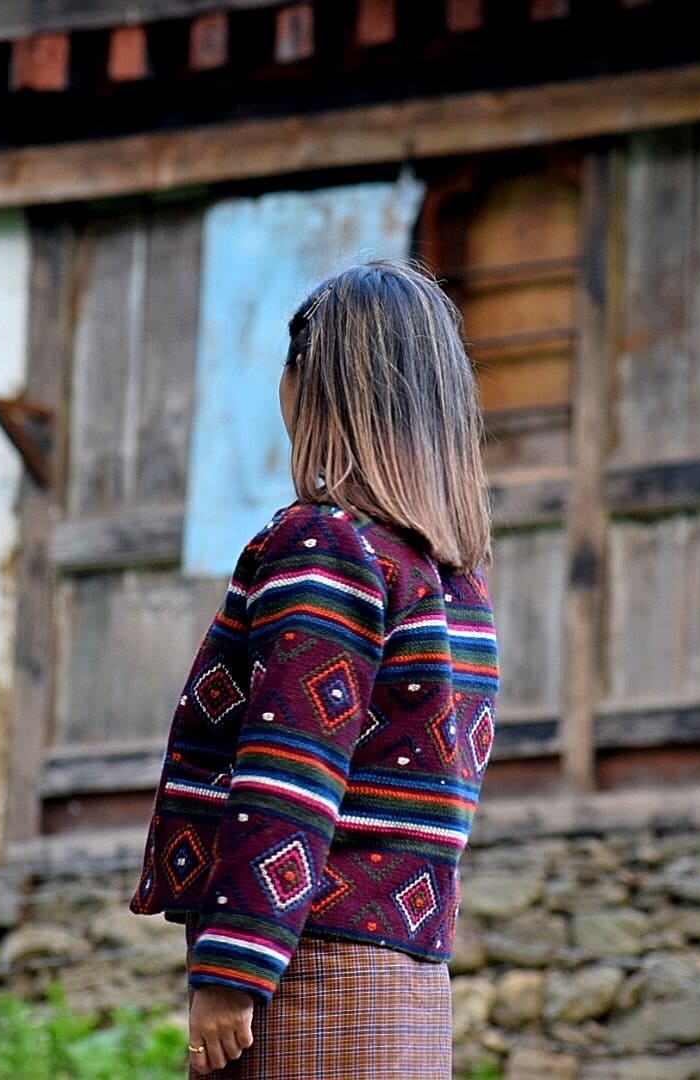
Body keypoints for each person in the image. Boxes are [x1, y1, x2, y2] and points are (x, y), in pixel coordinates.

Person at [130, 259, 500, 1078]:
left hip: (311, 981)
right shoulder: (452, 581)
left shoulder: (324, 547)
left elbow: (291, 770)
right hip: (407, 985)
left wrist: (232, 967)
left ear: (314, 386)